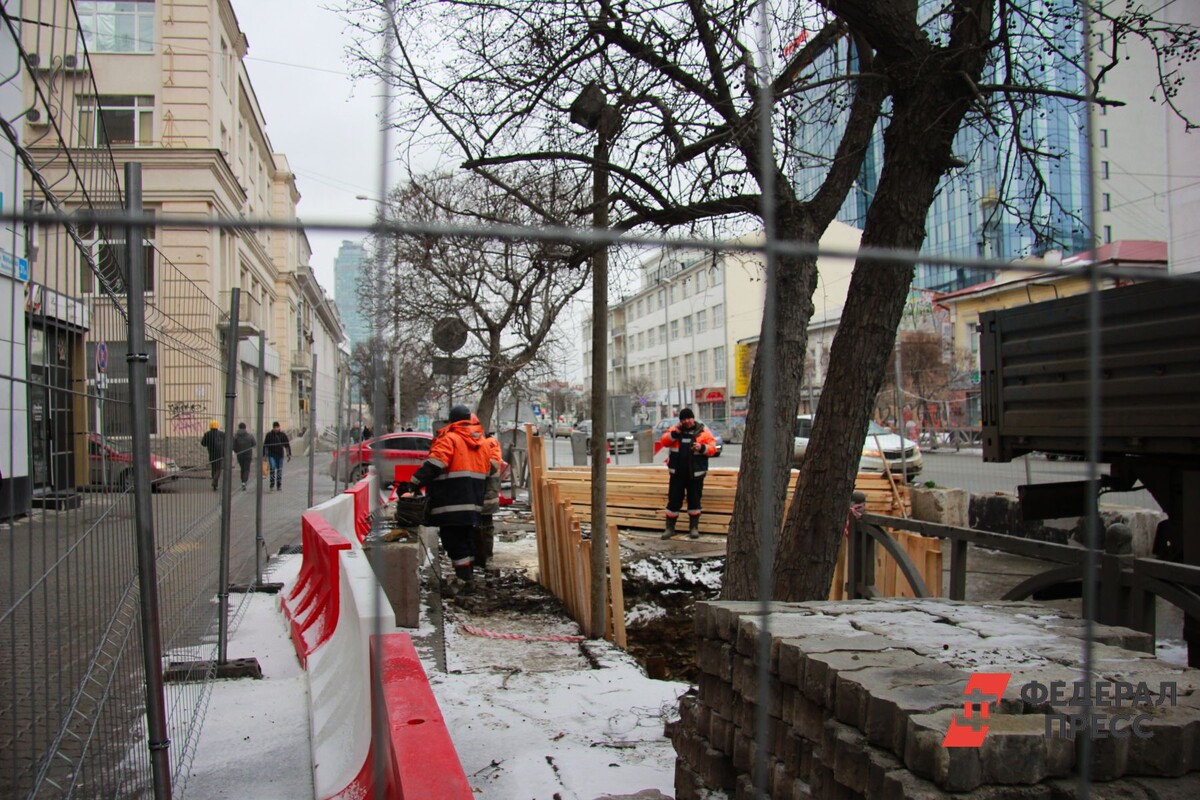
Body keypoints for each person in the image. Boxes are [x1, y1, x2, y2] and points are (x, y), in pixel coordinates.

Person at [402, 405, 488, 594]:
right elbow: (490, 470)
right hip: (472, 503)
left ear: (451, 421)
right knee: (466, 541)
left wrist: (412, 484)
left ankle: (463, 583)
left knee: (454, 542)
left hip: (451, 502)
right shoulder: (481, 442)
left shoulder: (450, 438)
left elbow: (435, 464)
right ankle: (468, 579)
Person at [659, 408, 718, 539]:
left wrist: (701, 448)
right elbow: (664, 441)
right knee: (673, 502)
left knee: (694, 502)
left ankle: (693, 528)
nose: (686, 421)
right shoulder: (675, 430)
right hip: (677, 475)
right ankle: (670, 528)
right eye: (683, 419)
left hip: (695, 475)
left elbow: (713, 449)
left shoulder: (703, 432)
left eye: (688, 418)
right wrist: (675, 433)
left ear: (693, 418)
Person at [475, 424, 507, 573]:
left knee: (485, 527)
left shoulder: (490, 444)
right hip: (482, 495)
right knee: (481, 527)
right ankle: (482, 557)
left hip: (486, 496)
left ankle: (485, 557)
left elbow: (489, 467)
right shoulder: (486, 444)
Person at [263, 421, 292, 491]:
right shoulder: (269, 435)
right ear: (273, 428)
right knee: (272, 468)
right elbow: (265, 445)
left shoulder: (282, 435)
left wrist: (289, 454)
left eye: (277, 427)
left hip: (280, 455)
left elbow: (287, 445)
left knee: (279, 469)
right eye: (275, 427)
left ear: (279, 427)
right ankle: (272, 483)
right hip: (271, 455)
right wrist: (264, 455)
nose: (276, 429)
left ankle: (279, 484)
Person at [200, 420, 225, 492]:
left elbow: (203, 444)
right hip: (220, 454)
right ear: (217, 426)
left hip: (212, 454)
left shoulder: (207, 434)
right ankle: (215, 481)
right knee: (218, 469)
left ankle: (215, 482)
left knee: (213, 468)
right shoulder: (222, 434)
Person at [232, 423, 256, 491]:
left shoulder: (236, 437)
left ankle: (243, 481)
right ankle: (244, 482)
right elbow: (254, 444)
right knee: (247, 469)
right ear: (245, 428)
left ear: (239, 428)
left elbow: (233, 447)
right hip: (248, 455)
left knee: (242, 468)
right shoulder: (250, 436)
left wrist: (237, 451)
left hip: (240, 455)